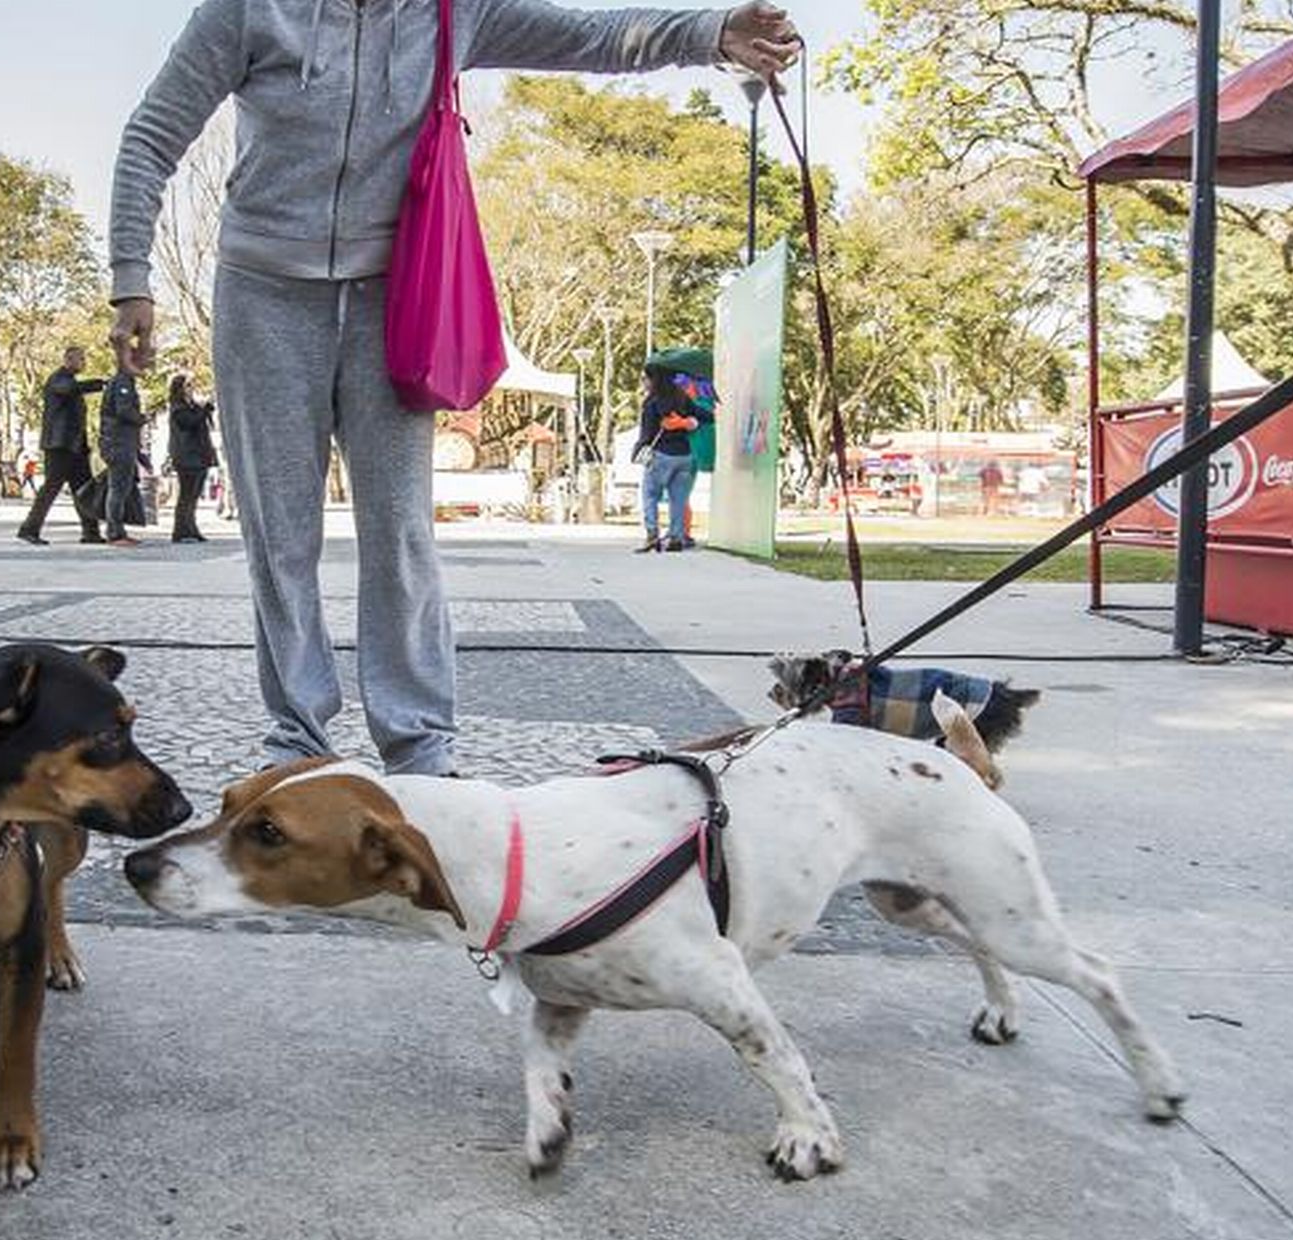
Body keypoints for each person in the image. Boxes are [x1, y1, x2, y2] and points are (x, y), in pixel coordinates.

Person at [109, 0, 801, 773]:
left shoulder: (451, 12)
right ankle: (296, 743)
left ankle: (419, 745)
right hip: (264, 293)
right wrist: (130, 278)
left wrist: (710, 34)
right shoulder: (249, 11)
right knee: (280, 537)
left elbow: (594, 37)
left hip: (393, 298)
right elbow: (152, 134)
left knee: (402, 534)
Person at [18, 346, 106, 545]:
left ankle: (90, 531)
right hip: (59, 446)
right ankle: (29, 529)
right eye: (80, 359)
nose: (84, 363)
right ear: (68, 360)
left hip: (75, 447)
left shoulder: (70, 381)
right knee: (51, 487)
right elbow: (68, 389)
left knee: (83, 489)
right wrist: (100, 384)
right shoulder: (58, 379)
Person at [634, 368, 710, 553]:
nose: (644, 382)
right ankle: (676, 538)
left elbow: (646, 433)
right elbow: (707, 416)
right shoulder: (683, 399)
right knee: (678, 499)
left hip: (662, 455)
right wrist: (688, 422)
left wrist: (638, 449)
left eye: (645, 378)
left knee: (650, 495)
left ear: (654, 380)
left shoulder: (651, 402)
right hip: (685, 457)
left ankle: (652, 535)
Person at [99, 364, 148, 545]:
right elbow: (124, 410)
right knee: (118, 488)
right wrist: (141, 418)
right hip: (118, 442)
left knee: (120, 488)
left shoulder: (124, 381)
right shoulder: (122, 381)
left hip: (121, 442)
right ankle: (114, 533)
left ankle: (118, 530)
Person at [166, 375, 215, 543]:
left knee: (193, 496)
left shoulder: (191, 405)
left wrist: (203, 409)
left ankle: (191, 528)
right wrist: (204, 410)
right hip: (187, 456)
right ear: (179, 388)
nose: (191, 388)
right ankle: (180, 530)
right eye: (187, 385)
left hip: (198, 455)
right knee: (186, 495)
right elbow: (188, 423)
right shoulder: (178, 408)